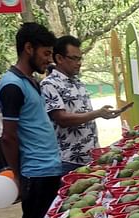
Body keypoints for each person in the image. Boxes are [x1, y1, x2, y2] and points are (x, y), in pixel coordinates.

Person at [0, 22, 61, 218]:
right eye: (46, 54)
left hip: (47, 167)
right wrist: (18, 175)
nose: (49, 60)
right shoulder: (12, 86)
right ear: (28, 48)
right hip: (36, 170)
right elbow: (8, 137)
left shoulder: (28, 82)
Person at [41, 35, 118, 175]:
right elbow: (61, 119)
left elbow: (83, 113)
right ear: (59, 58)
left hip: (91, 156)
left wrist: (104, 114)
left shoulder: (77, 82)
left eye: (80, 58)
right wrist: (97, 113)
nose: (79, 63)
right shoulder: (49, 84)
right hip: (69, 160)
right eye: (74, 58)